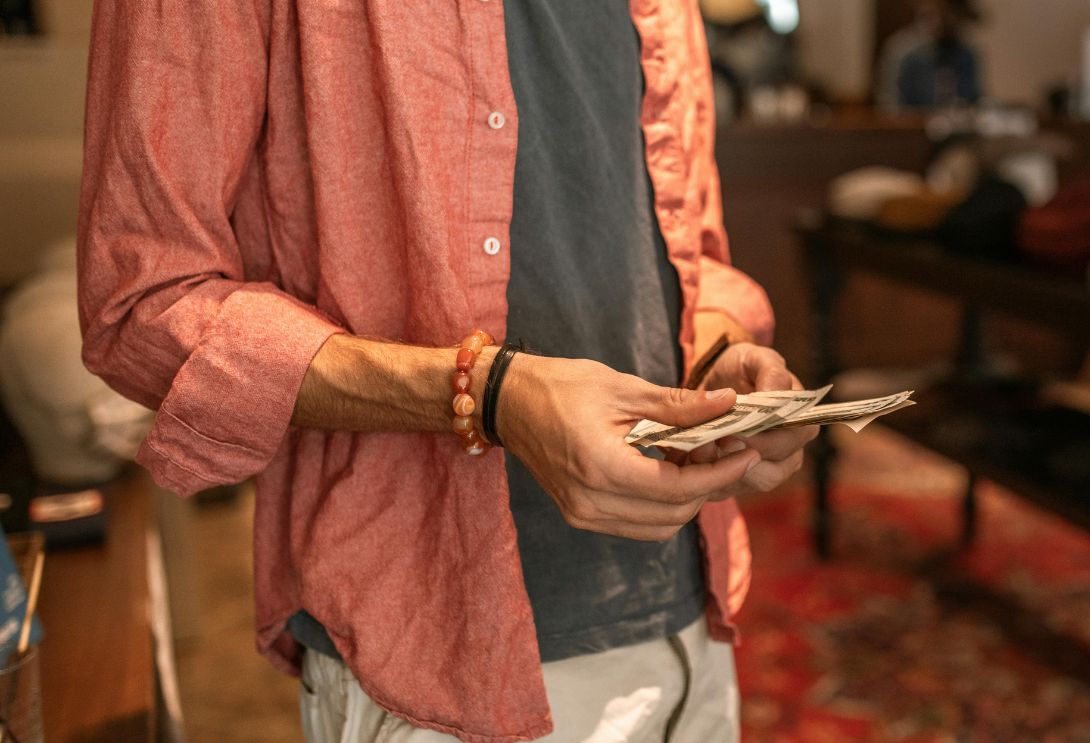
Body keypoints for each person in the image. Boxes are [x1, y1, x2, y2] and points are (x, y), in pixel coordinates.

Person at [77, 2, 816, 741]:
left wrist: (721, 370)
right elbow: (144, 298)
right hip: (432, 645)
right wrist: (484, 394)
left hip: (687, 610)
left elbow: (687, 250)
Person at [877, 0, 984, 110]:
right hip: (911, 124)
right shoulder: (903, 52)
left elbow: (973, 99)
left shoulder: (966, 55)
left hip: (957, 124)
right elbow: (891, 106)